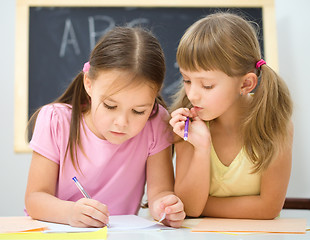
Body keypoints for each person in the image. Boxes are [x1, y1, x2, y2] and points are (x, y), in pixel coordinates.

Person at [25, 26, 185, 228]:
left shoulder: (156, 122)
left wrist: (166, 207)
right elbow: (35, 199)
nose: (121, 122)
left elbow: (160, 193)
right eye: (110, 106)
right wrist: (70, 213)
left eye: (138, 111)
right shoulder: (56, 120)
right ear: (89, 84)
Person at [169, 12, 293, 219]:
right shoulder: (186, 125)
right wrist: (201, 148)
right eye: (186, 80)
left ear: (245, 84)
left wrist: (202, 205)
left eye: (207, 85)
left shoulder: (274, 123)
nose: (192, 95)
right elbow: (190, 208)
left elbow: (269, 208)